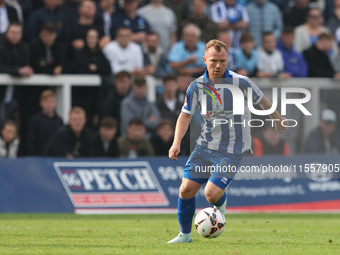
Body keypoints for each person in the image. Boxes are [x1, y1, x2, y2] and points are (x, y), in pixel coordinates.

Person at [167, 39, 287, 243]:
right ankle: (185, 236)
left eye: (222, 61)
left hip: (231, 150)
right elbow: (185, 115)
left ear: (227, 59)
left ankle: (220, 206)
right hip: (204, 147)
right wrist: (176, 142)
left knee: (211, 194)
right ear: (205, 59)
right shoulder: (196, 86)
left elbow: (262, 99)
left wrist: (277, 118)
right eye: (213, 60)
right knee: (186, 190)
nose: (218, 65)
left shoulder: (241, 82)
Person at [0, 22, 33, 125]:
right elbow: (1, 67)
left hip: (17, 95)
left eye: (18, 33)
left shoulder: (24, 47)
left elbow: (27, 65)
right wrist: (18, 71)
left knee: (15, 126)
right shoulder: (1, 47)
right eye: (13, 33)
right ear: (6, 33)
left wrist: (26, 70)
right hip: (2, 93)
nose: (15, 36)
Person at [26, 89, 63, 156]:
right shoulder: (35, 120)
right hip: (39, 158)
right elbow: (31, 143)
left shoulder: (59, 121)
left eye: (51, 102)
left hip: (55, 158)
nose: (49, 105)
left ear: (55, 103)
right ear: (41, 103)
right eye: (46, 102)